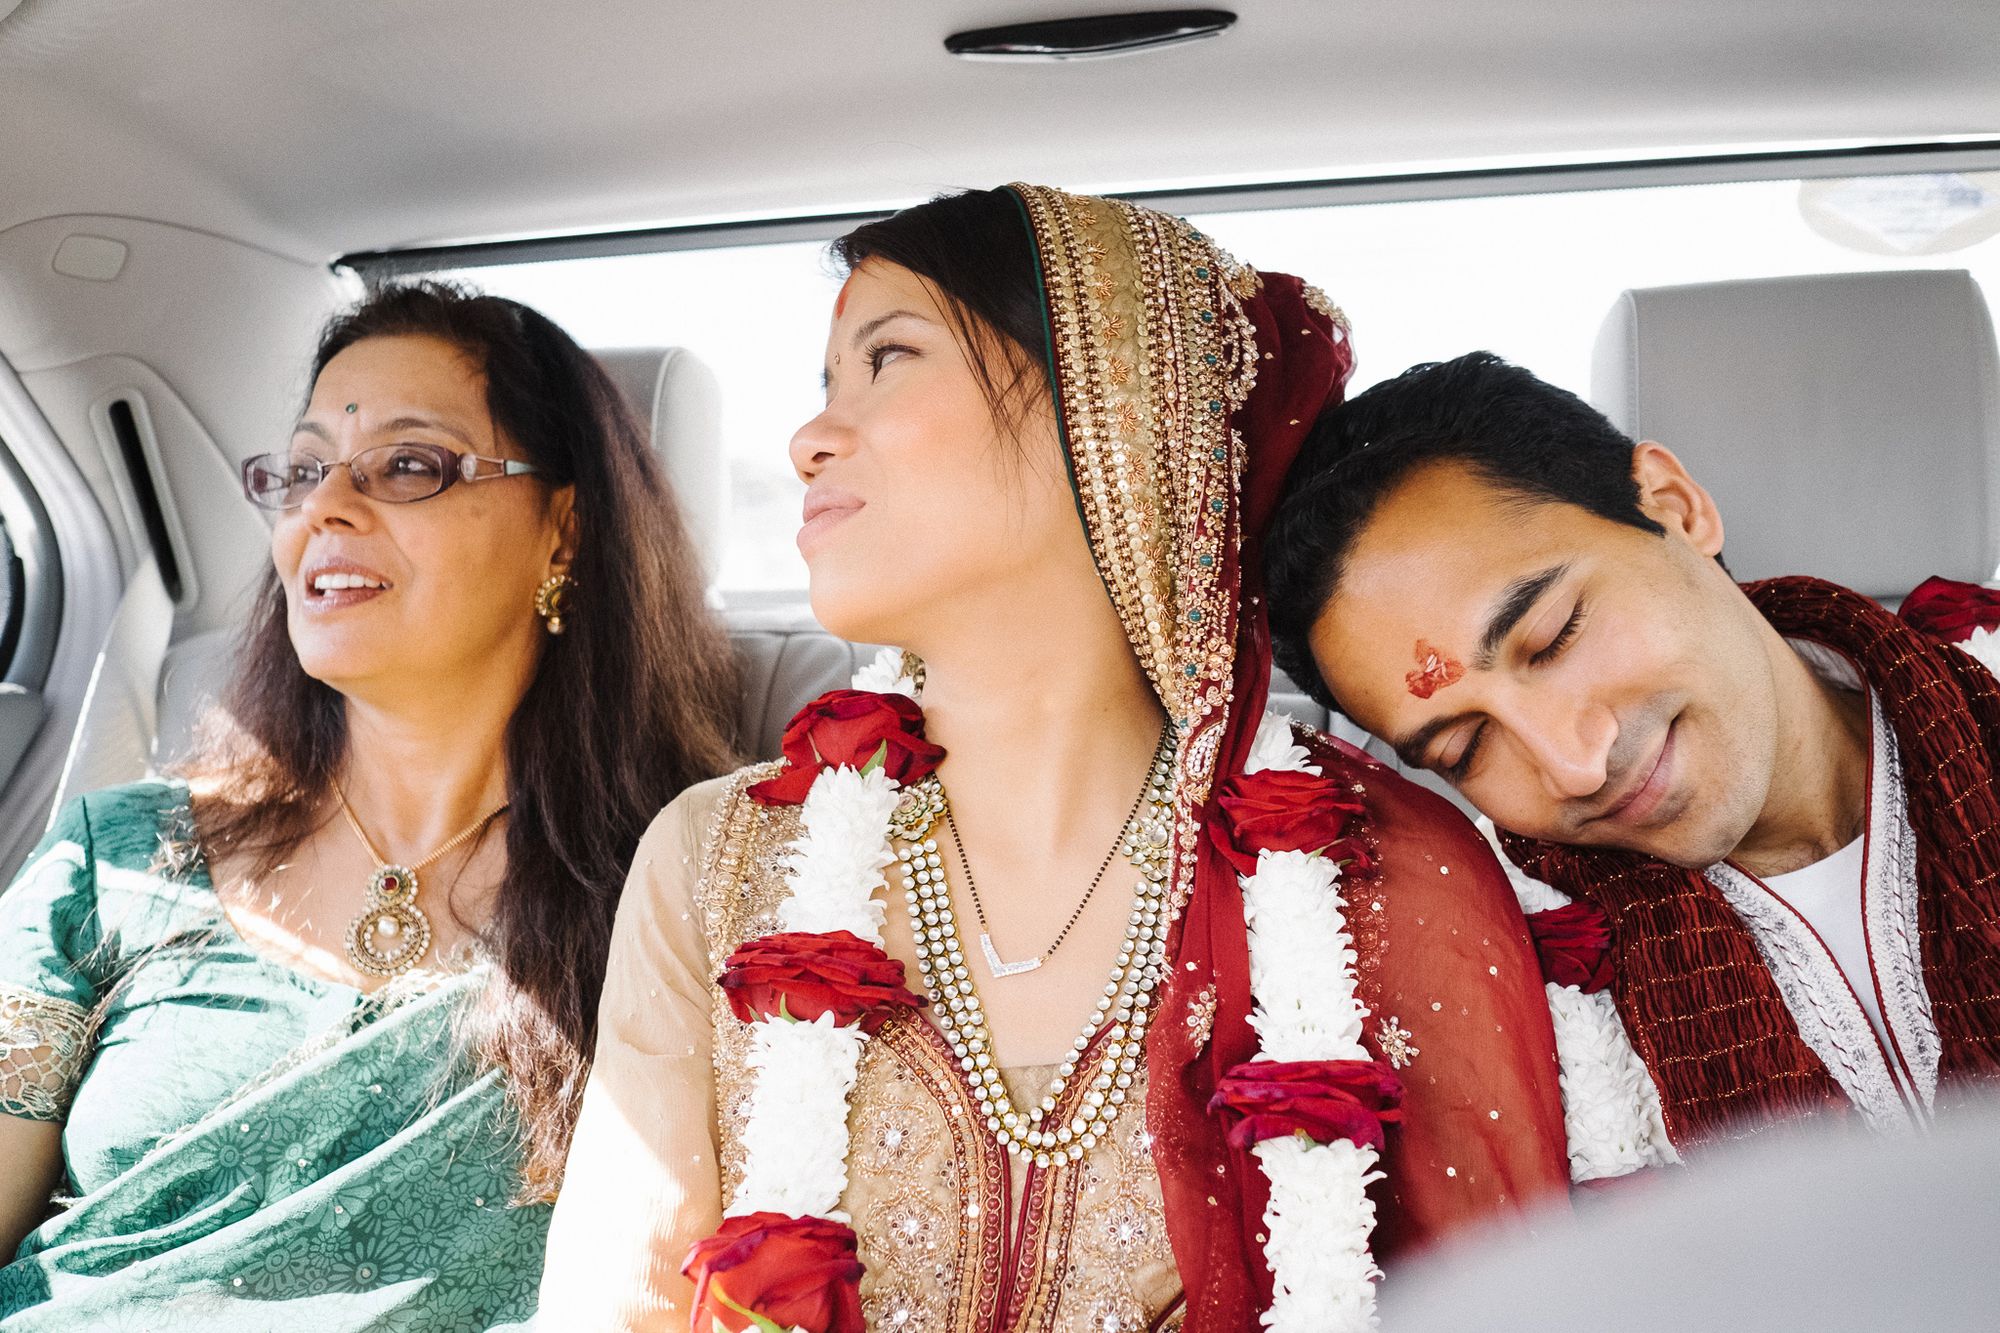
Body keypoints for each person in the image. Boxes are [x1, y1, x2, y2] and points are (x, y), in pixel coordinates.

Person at [542, 188, 1566, 1333]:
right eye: (823, 384)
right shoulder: (717, 858)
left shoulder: (1376, 882)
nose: (807, 439)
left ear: (1106, 406)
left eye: (885, 359)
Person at [0, 281, 738, 1328]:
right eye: (302, 471)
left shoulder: (692, 892)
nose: (324, 509)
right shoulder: (112, 863)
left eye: (407, 465)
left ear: (563, 531)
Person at [1265, 351, 2000, 1182]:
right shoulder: (1499, 972)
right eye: (1462, 750)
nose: (1573, 765)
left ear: (1676, 509)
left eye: (1553, 637)